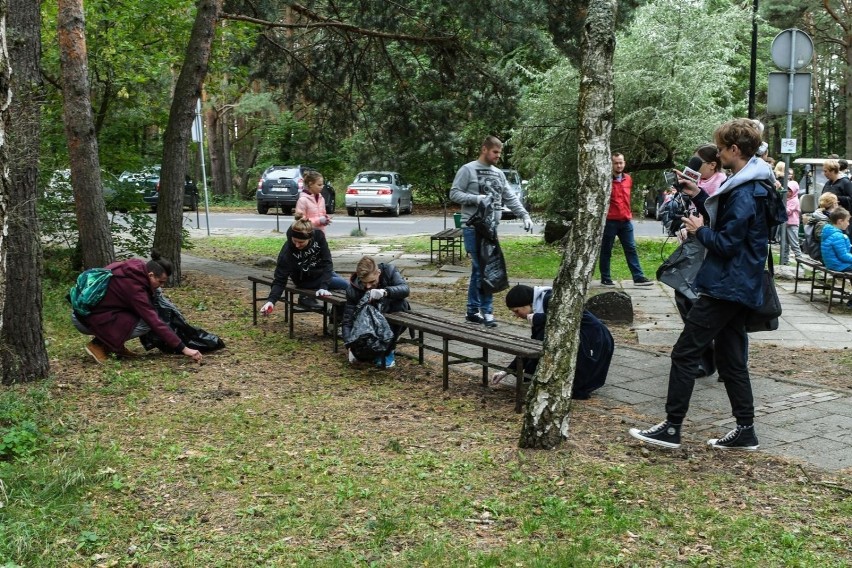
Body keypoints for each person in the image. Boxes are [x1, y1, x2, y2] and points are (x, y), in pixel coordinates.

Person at [629, 118, 772, 451]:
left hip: (726, 285)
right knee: (732, 359)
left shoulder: (745, 191)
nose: (719, 156)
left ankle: (671, 428)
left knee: (684, 353)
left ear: (735, 149)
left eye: (721, 150)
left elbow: (726, 244)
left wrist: (699, 230)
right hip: (741, 285)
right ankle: (746, 430)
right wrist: (697, 199)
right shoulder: (759, 184)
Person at [450, 135, 532, 327]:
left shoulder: (498, 173)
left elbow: (509, 197)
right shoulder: (468, 170)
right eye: (495, 152)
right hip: (473, 227)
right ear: (484, 149)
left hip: (491, 229)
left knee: (482, 270)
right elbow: (454, 193)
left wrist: (524, 215)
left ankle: (472, 310)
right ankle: (486, 312)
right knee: (481, 270)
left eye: (499, 152)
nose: (498, 156)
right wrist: (476, 199)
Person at [71, 251, 203, 365]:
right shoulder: (135, 289)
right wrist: (184, 348)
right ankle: (99, 344)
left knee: (133, 316)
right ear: (150, 275)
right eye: (160, 282)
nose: (161, 286)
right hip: (85, 320)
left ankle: (115, 346)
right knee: (146, 323)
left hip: (86, 313)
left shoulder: (132, 268)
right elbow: (154, 321)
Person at [490, 284, 613, 399]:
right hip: (581, 336)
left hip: (593, 338)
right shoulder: (537, 311)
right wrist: (506, 371)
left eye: (516, 311)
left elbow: (566, 318)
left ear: (528, 304)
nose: (516, 315)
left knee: (576, 387)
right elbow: (534, 344)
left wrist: (538, 318)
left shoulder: (550, 299)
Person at [260, 218, 348, 314]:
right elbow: (280, 279)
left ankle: (334, 315)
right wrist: (271, 301)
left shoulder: (318, 236)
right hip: (305, 280)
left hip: (320, 272)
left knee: (347, 288)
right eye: (294, 241)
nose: (297, 245)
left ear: (310, 238)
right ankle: (334, 316)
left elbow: (327, 261)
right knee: (347, 286)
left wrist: (324, 286)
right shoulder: (287, 252)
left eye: (301, 242)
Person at [342, 256, 410, 368]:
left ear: (378, 272)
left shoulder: (389, 271)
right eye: (364, 283)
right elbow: (348, 319)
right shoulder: (353, 289)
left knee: (400, 304)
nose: (368, 286)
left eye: (372, 281)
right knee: (362, 355)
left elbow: (405, 289)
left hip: (390, 312)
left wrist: (385, 292)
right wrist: (349, 344)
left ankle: (388, 350)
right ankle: (375, 350)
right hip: (367, 323)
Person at [599, 153, 653, 287]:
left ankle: (638, 277)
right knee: (606, 250)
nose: (619, 165)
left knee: (631, 248)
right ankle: (605, 278)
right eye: (616, 163)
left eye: (621, 162)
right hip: (610, 221)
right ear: (611, 164)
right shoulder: (605, 180)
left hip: (626, 221)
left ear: (624, 163)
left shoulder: (628, 179)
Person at [775, 163, 803, 263]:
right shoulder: (786, 199)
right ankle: (785, 261)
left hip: (792, 225)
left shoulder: (795, 201)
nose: (788, 193)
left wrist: (780, 206)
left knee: (794, 244)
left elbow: (787, 211)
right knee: (784, 244)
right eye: (788, 190)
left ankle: (801, 262)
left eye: (790, 191)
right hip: (785, 224)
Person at [804, 192, 838, 262]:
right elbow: (821, 238)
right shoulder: (823, 220)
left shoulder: (825, 216)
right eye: (836, 203)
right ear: (834, 204)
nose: (837, 205)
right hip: (823, 253)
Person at [820, 207, 852, 273]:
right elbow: (843, 256)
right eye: (847, 220)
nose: (848, 224)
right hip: (839, 265)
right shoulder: (837, 236)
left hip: (832, 264)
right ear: (840, 221)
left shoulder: (829, 232)